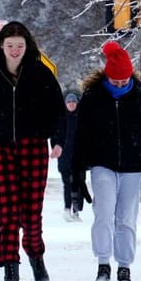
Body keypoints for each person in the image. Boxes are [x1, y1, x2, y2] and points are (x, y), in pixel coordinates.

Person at [0, 21, 67, 281]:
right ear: (1, 45)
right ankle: (10, 272)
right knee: (7, 212)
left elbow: (58, 111)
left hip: (34, 146)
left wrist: (57, 140)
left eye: (19, 46)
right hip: (1, 148)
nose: (14, 50)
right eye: (9, 45)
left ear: (27, 46)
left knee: (31, 213)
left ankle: (36, 256)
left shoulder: (40, 74)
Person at [72, 40, 141, 281]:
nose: (121, 85)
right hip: (102, 163)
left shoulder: (140, 97)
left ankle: (124, 267)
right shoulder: (92, 98)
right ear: (107, 77)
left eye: (125, 82)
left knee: (126, 218)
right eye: (116, 82)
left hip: (133, 166)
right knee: (103, 213)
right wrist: (77, 172)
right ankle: (103, 264)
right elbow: (81, 135)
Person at [56, 89, 83, 222]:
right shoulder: (61, 118)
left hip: (78, 157)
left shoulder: (81, 118)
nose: (71, 104)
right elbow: (56, 137)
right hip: (64, 158)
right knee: (67, 184)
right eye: (69, 102)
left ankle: (76, 211)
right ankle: (67, 208)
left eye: (73, 102)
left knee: (77, 184)